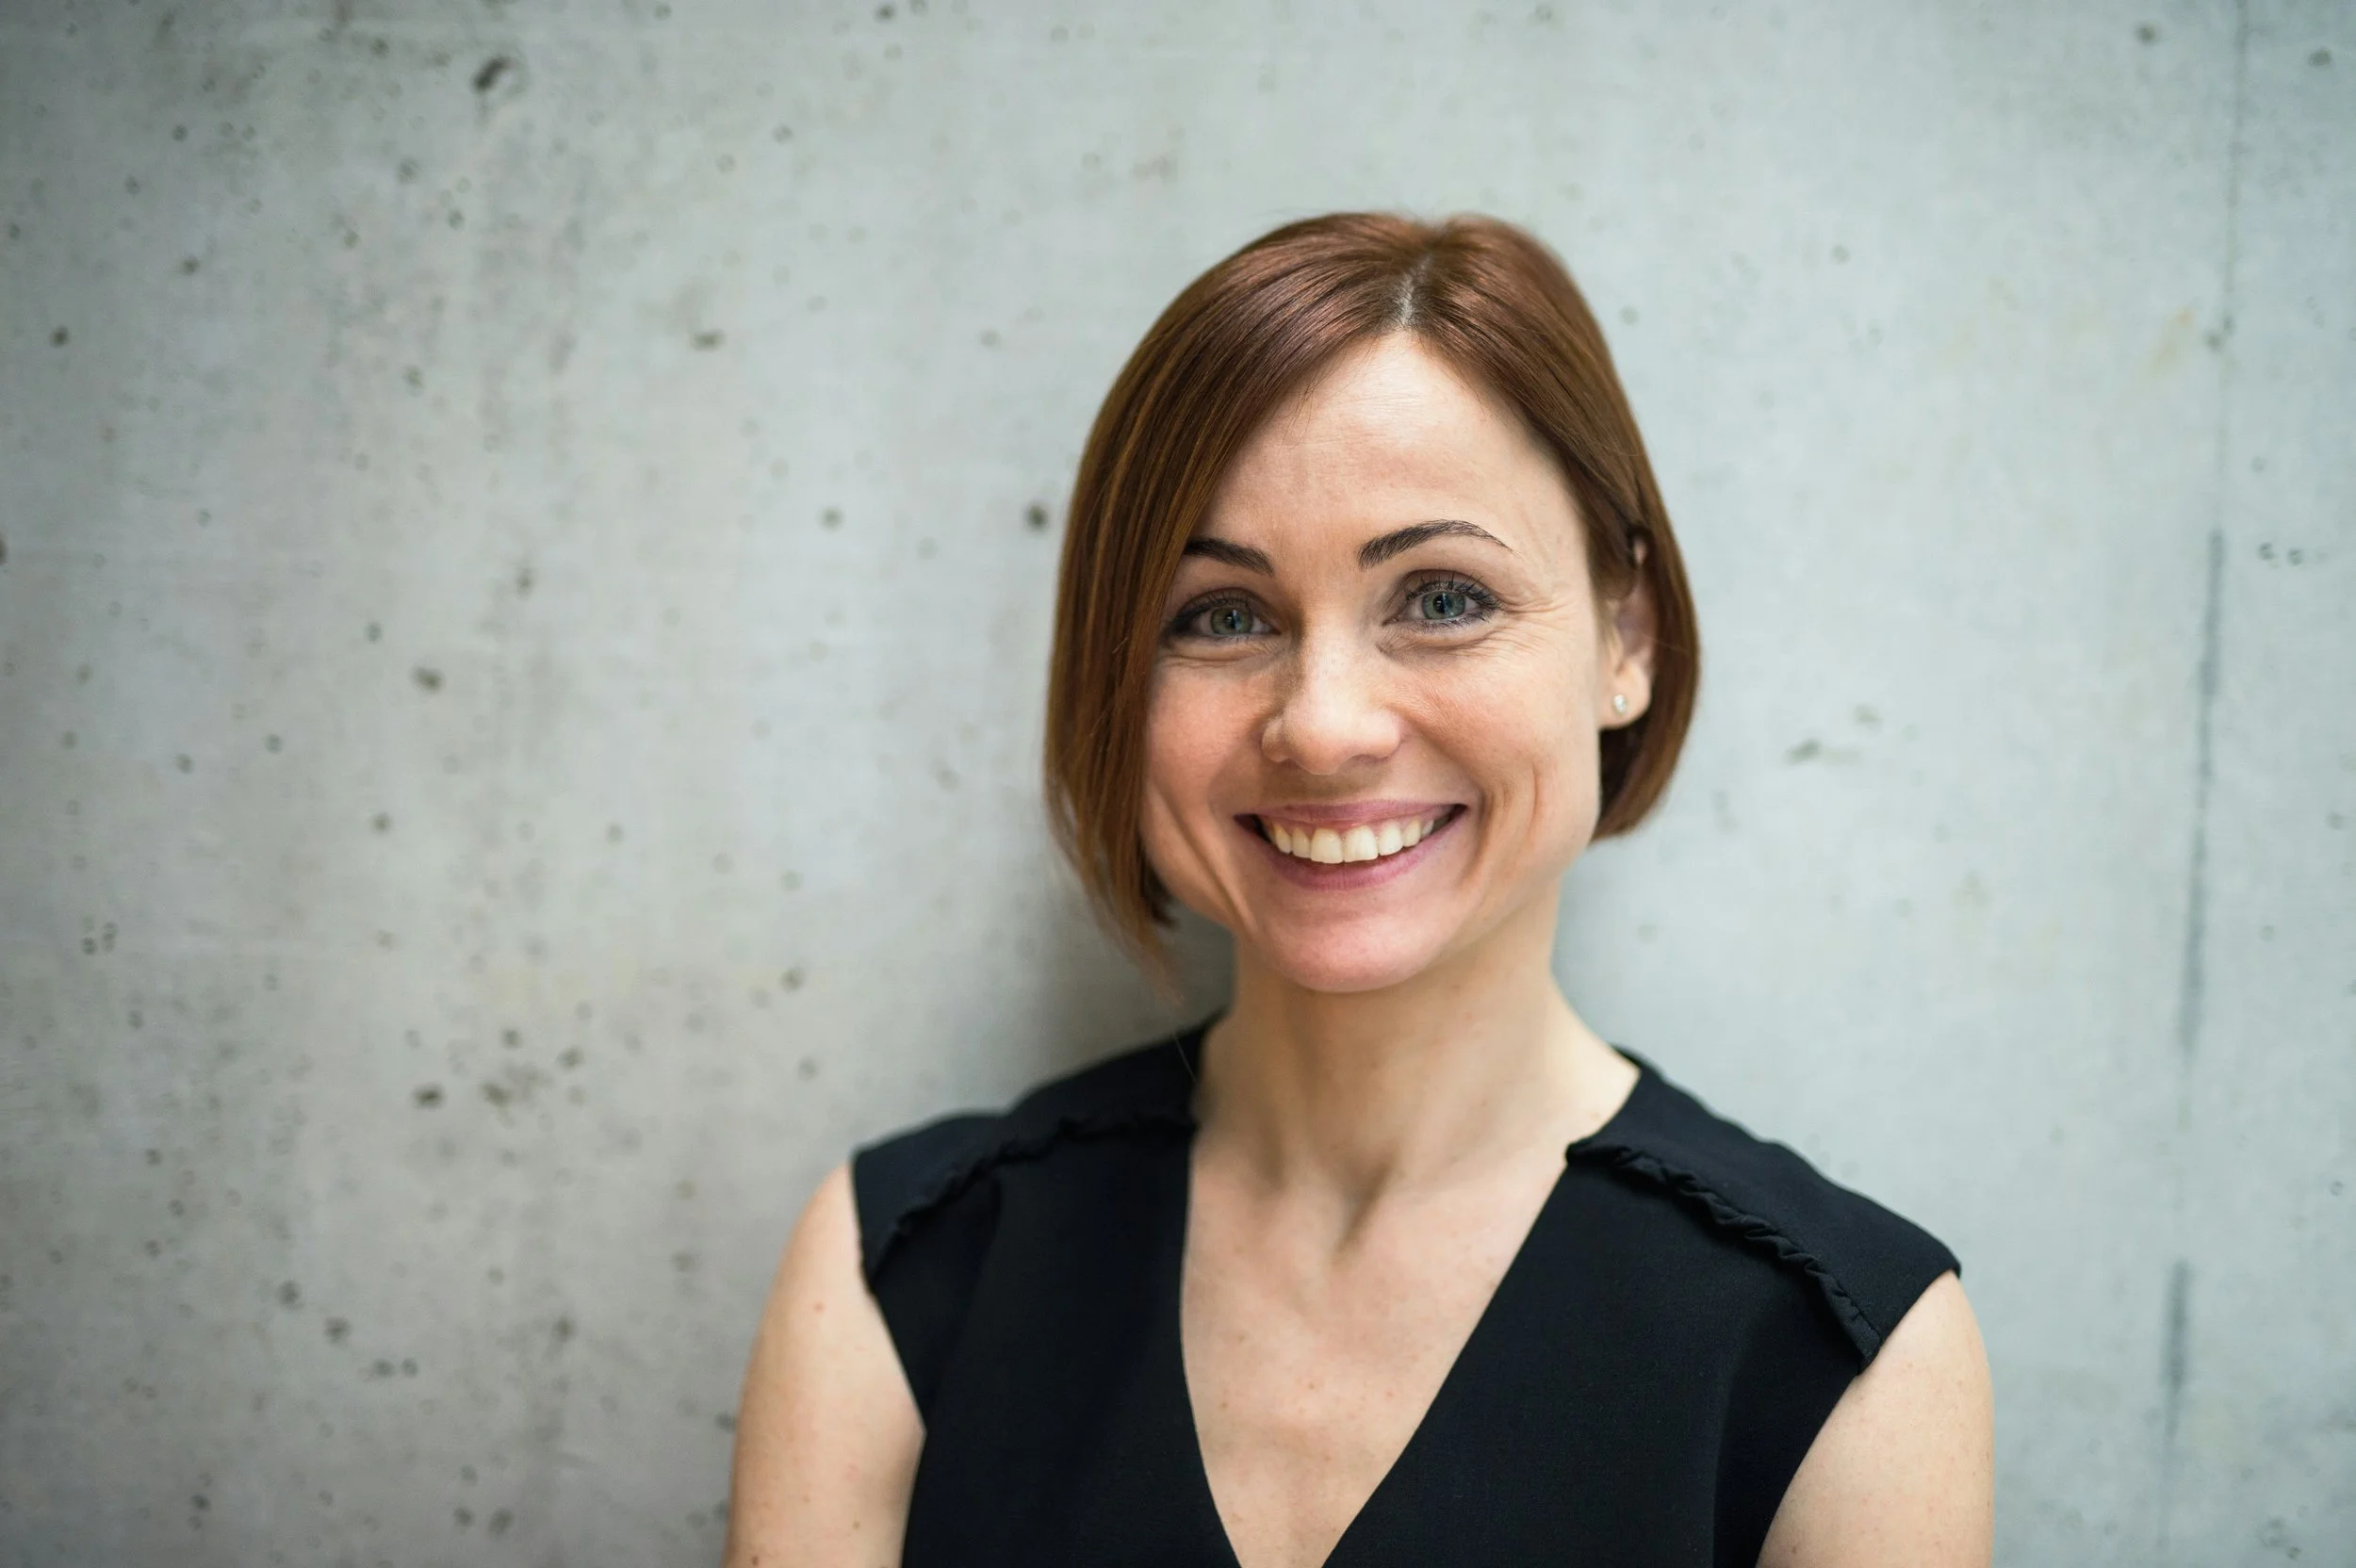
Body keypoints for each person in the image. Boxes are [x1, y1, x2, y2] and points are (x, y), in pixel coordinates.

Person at [724, 212, 1993, 1568]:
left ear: (1627, 635)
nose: (1322, 727)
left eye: (1442, 597)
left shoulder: (1847, 1357)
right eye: (1222, 616)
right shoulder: (900, 1270)